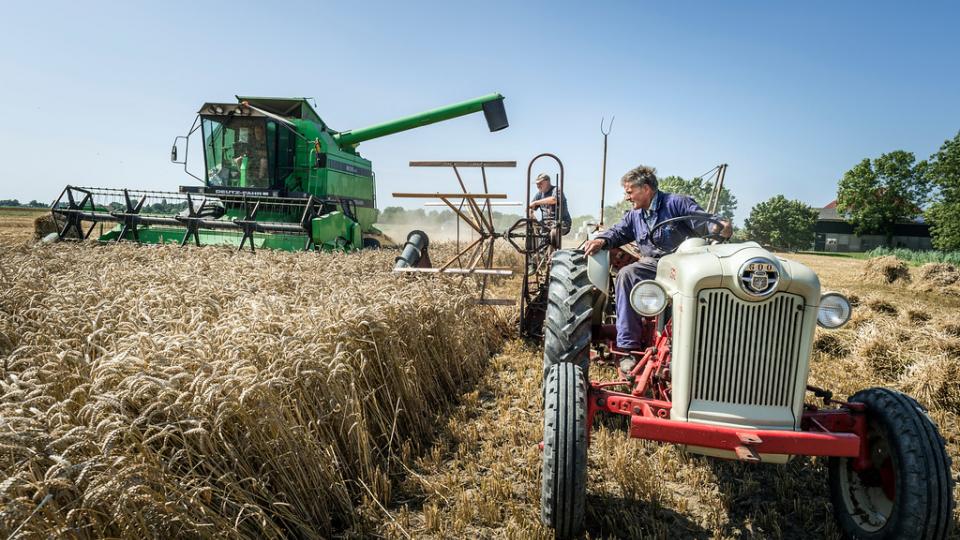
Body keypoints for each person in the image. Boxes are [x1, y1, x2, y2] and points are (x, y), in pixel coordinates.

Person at [583, 165, 732, 354]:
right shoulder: (634, 216)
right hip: (652, 264)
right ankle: (628, 347)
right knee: (627, 275)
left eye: (629, 192)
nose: (626, 197)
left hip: (684, 263)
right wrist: (601, 240)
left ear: (646, 189)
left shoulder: (677, 203)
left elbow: (704, 222)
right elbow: (618, 232)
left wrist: (719, 227)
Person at [529, 173, 572, 242]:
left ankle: (552, 250)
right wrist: (531, 213)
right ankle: (536, 251)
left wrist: (536, 202)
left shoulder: (557, 190)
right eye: (537, 184)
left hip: (561, 222)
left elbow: (554, 200)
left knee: (553, 233)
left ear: (547, 182)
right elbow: (531, 206)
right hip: (545, 223)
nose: (538, 186)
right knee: (530, 231)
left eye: (540, 183)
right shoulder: (539, 194)